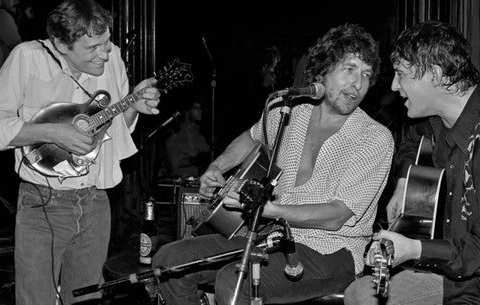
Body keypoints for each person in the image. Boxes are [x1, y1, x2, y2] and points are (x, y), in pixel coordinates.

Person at [152, 22, 395, 305]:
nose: (358, 83)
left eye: (366, 74)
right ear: (323, 70)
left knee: (235, 280)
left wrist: (270, 209)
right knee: (169, 262)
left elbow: (337, 215)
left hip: (332, 252)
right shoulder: (288, 112)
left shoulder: (375, 137)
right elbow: (251, 137)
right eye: (349, 68)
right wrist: (217, 166)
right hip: (271, 238)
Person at [0, 0, 161, 305]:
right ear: (61, 44)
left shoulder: (113, 57)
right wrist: (53, 132)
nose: (104, 55)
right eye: (92, 48)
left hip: (96, 202)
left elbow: (116, 130)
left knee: (86, 299)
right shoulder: (27, 57)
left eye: (106, 43)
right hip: (42, 203)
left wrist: (135, 105)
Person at [345, 21, 480, 305]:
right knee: (360, 294)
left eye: (401, 74)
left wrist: (415, 249)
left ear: (434, 75)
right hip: (450, 275)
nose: (395, 86)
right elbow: (411, 140)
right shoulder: (438, 119)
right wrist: (404, 184)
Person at [165, 96, 211, 178]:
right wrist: (195, 159)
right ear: (187, 110)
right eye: (196, 108)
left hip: (200, 178)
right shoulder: (174, 132)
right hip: (179, 179)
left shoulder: (200, 132)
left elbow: (207, 154)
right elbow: (174, 163)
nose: (200, 112)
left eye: (201, 108)